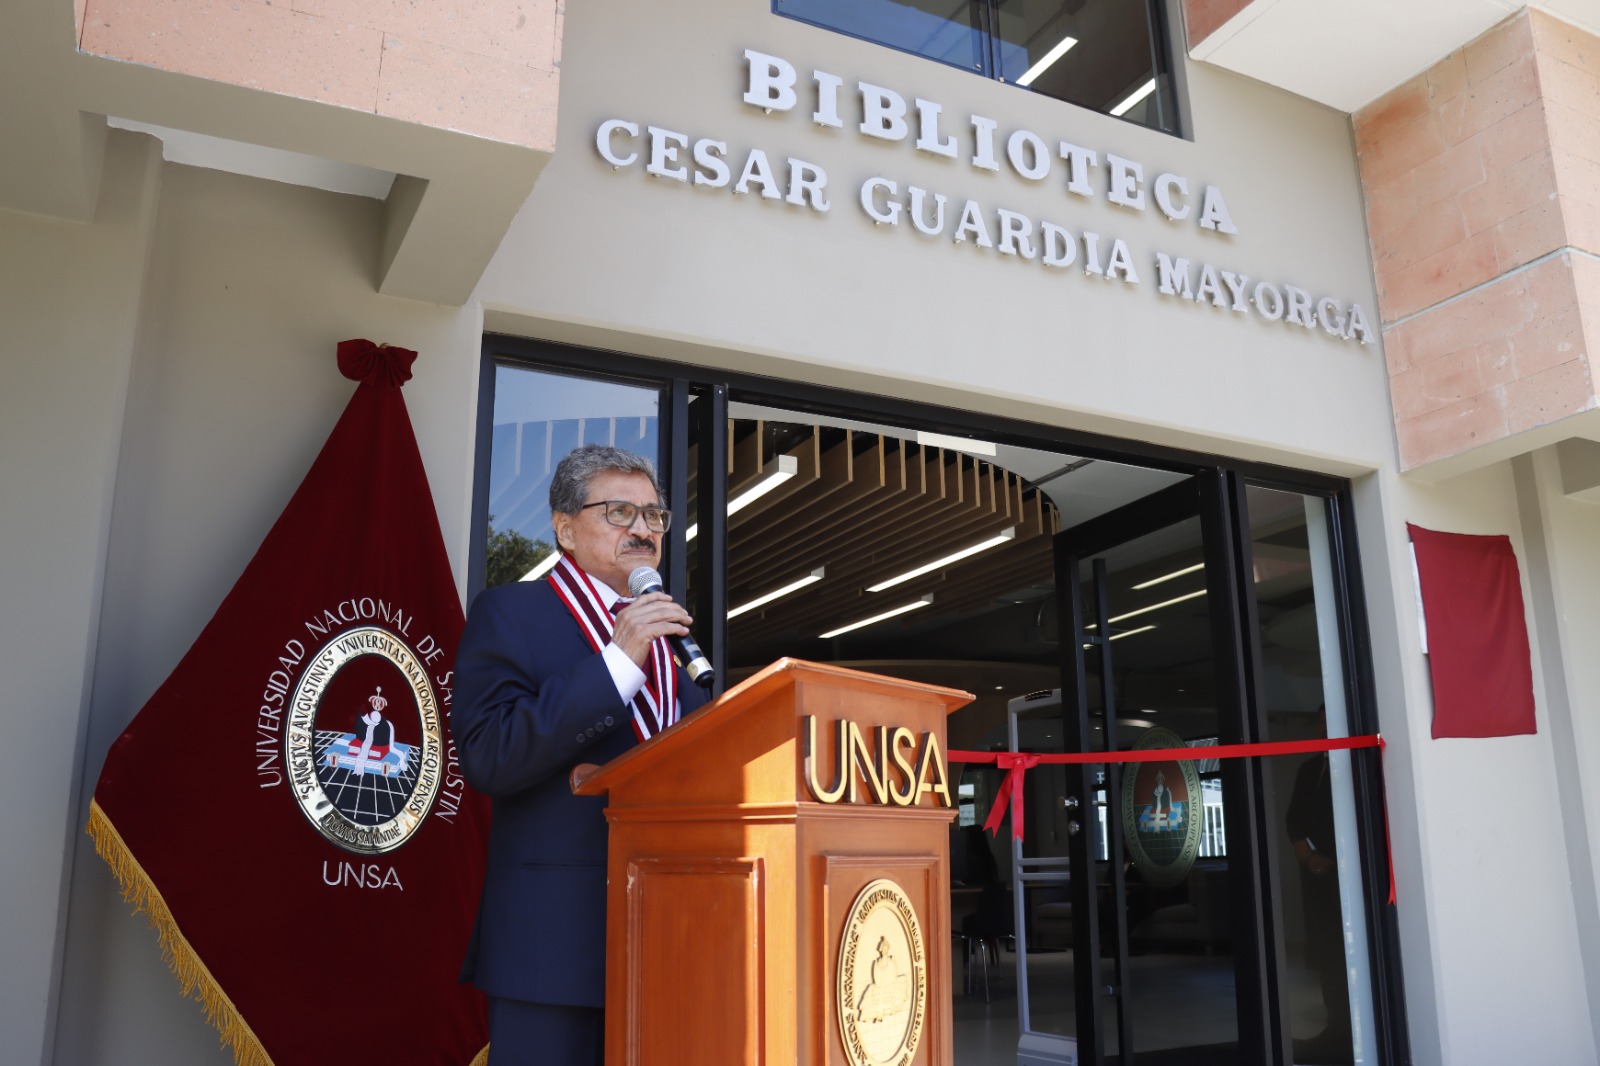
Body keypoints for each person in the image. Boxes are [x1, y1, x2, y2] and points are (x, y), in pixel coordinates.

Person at [454, 444, 711, 1065]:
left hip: (672, 932)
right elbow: (490, 756)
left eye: (653, 516)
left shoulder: (675, 637)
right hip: (554, 944)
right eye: (619, 512)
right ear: (564, 528)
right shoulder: (512, 613)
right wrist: (617, 662)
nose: (643, 530)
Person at [1285, 708, 1353, 1065]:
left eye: (1330, 721)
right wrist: (1309, 858)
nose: (1324, 728)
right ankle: (1337, 1028)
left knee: (1355, 953)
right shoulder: (1310, 770)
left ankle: (1362, 1028)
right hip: (1319, 877)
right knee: (1328, 953)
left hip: (1355, 877)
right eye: (1320, 722)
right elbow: (1294, 821)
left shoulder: (1359, 763)